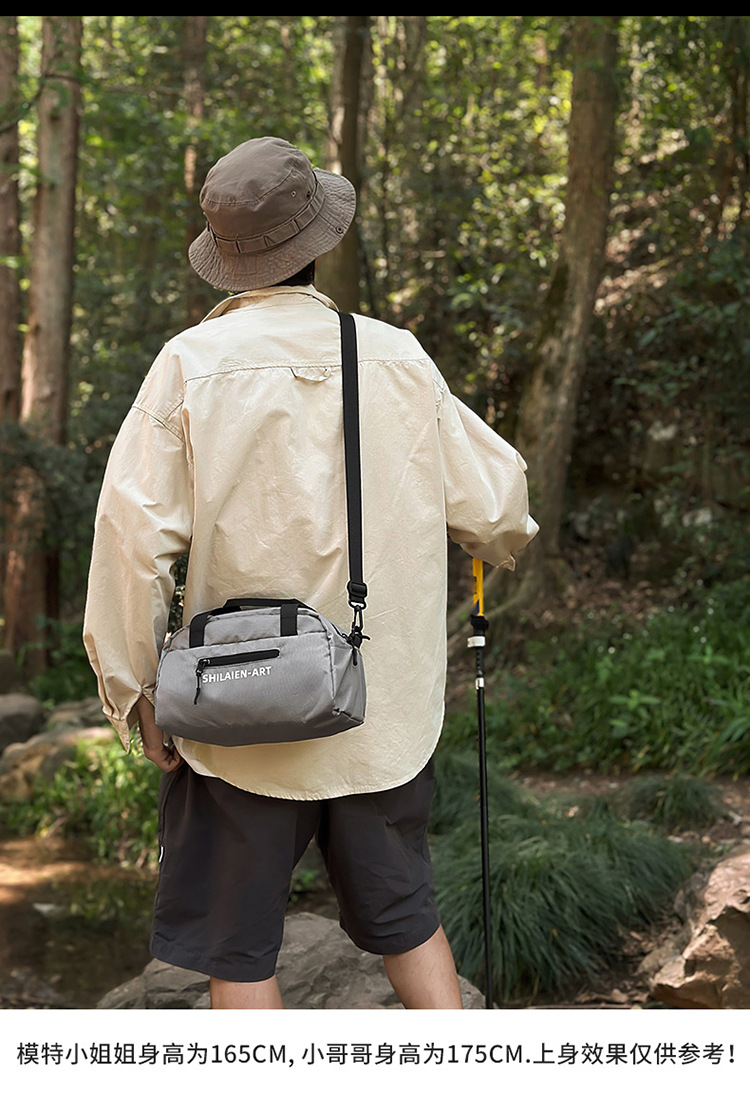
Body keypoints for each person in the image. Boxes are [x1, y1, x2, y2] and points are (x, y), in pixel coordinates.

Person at [83, 136, 538, 1010]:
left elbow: (131, 541)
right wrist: (497, 542)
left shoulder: (187, 365)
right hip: (381, 708)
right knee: (407, 919)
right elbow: (496, 506)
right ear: (318, 244)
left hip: (234, 709)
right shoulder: (395, 356)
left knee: (239, 948)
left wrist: (133, 689)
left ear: (227, 258)